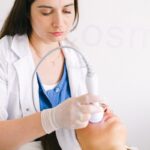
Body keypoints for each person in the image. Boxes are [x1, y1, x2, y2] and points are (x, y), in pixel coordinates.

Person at [0, 0, 137, 150]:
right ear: (27, 11)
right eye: (46, 12)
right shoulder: (5, 56)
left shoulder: (77, 58)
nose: (59, 23)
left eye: (67, 11)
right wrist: (51, 119)